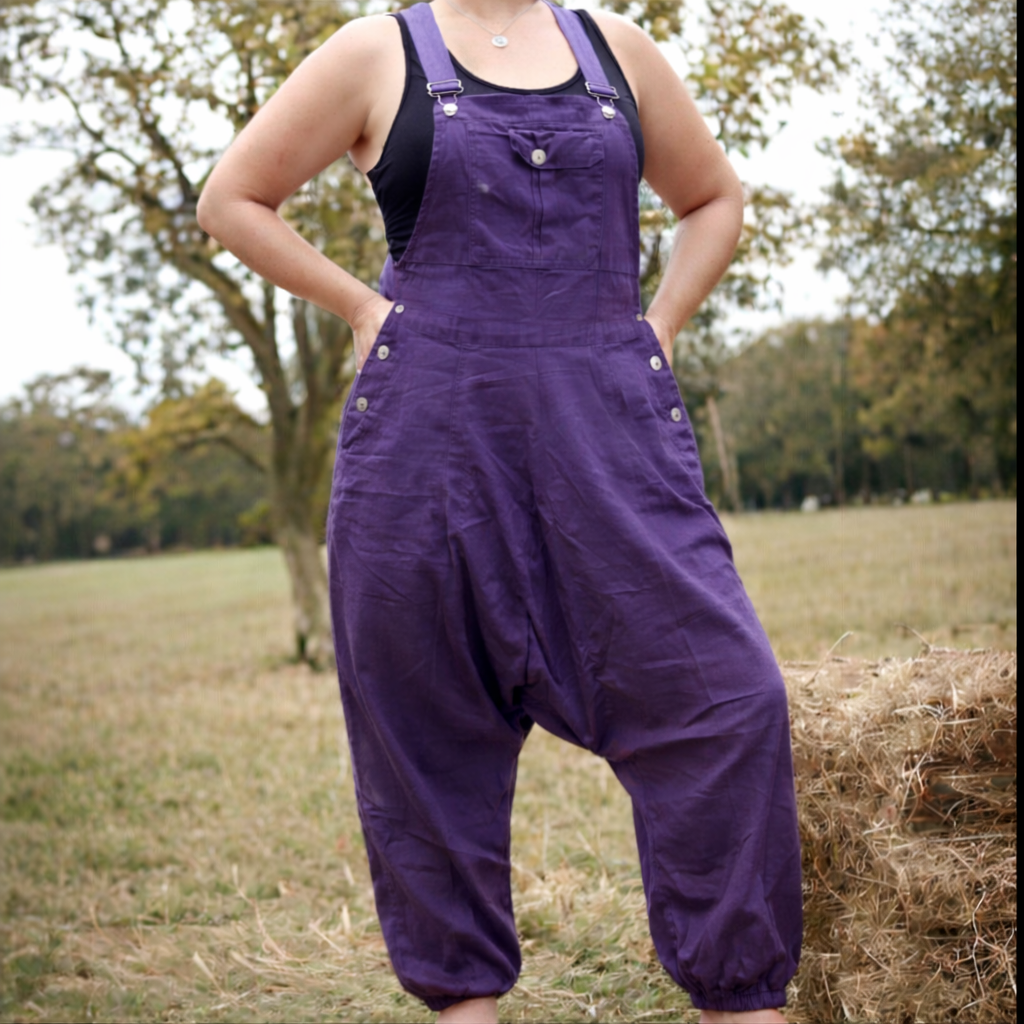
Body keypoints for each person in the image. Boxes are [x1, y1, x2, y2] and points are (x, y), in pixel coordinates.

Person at [197, 2, 802, 1021]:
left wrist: (654, 328)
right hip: (427, 449)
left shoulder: (618, 49)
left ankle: (742, 998)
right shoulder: (373, 52)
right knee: (427, 739)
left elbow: (713, 199)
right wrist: (362, 308)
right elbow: (233, 198)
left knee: (729, 702)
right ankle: (465, 1002)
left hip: (610, 438)